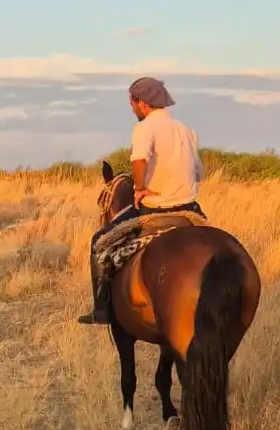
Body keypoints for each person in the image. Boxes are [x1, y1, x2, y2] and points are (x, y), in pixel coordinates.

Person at [78, 77, 206, 325]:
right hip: (190, 208)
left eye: (132, 102)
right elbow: (198, 172)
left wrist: (139, 188)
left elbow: (139, 160)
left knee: (99, 242)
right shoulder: (187, 130)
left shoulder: (145, 128)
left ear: (142, 103)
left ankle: (102, 310)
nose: (131, 107)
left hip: (155, 207)